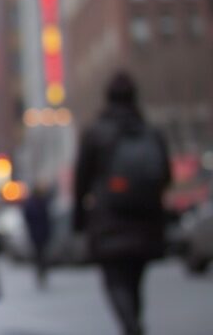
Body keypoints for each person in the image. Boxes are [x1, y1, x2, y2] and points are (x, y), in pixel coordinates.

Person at [74, 72, 171, 335]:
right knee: (135, 282)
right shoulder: (151, 132)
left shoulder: (95, 132)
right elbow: (165, 177)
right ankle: (133, 325)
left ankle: (131, 326)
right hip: (146, 222)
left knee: (116, 282)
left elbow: (80, 181)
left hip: (109, 222)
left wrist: (79, 221)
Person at [21, 182, 53, 289]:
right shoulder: (32, 204)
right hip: (36, 233)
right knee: (39, 255)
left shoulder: (41, 202)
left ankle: (42, 273)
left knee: (42, 255)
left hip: (42, 233)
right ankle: (40, 274)